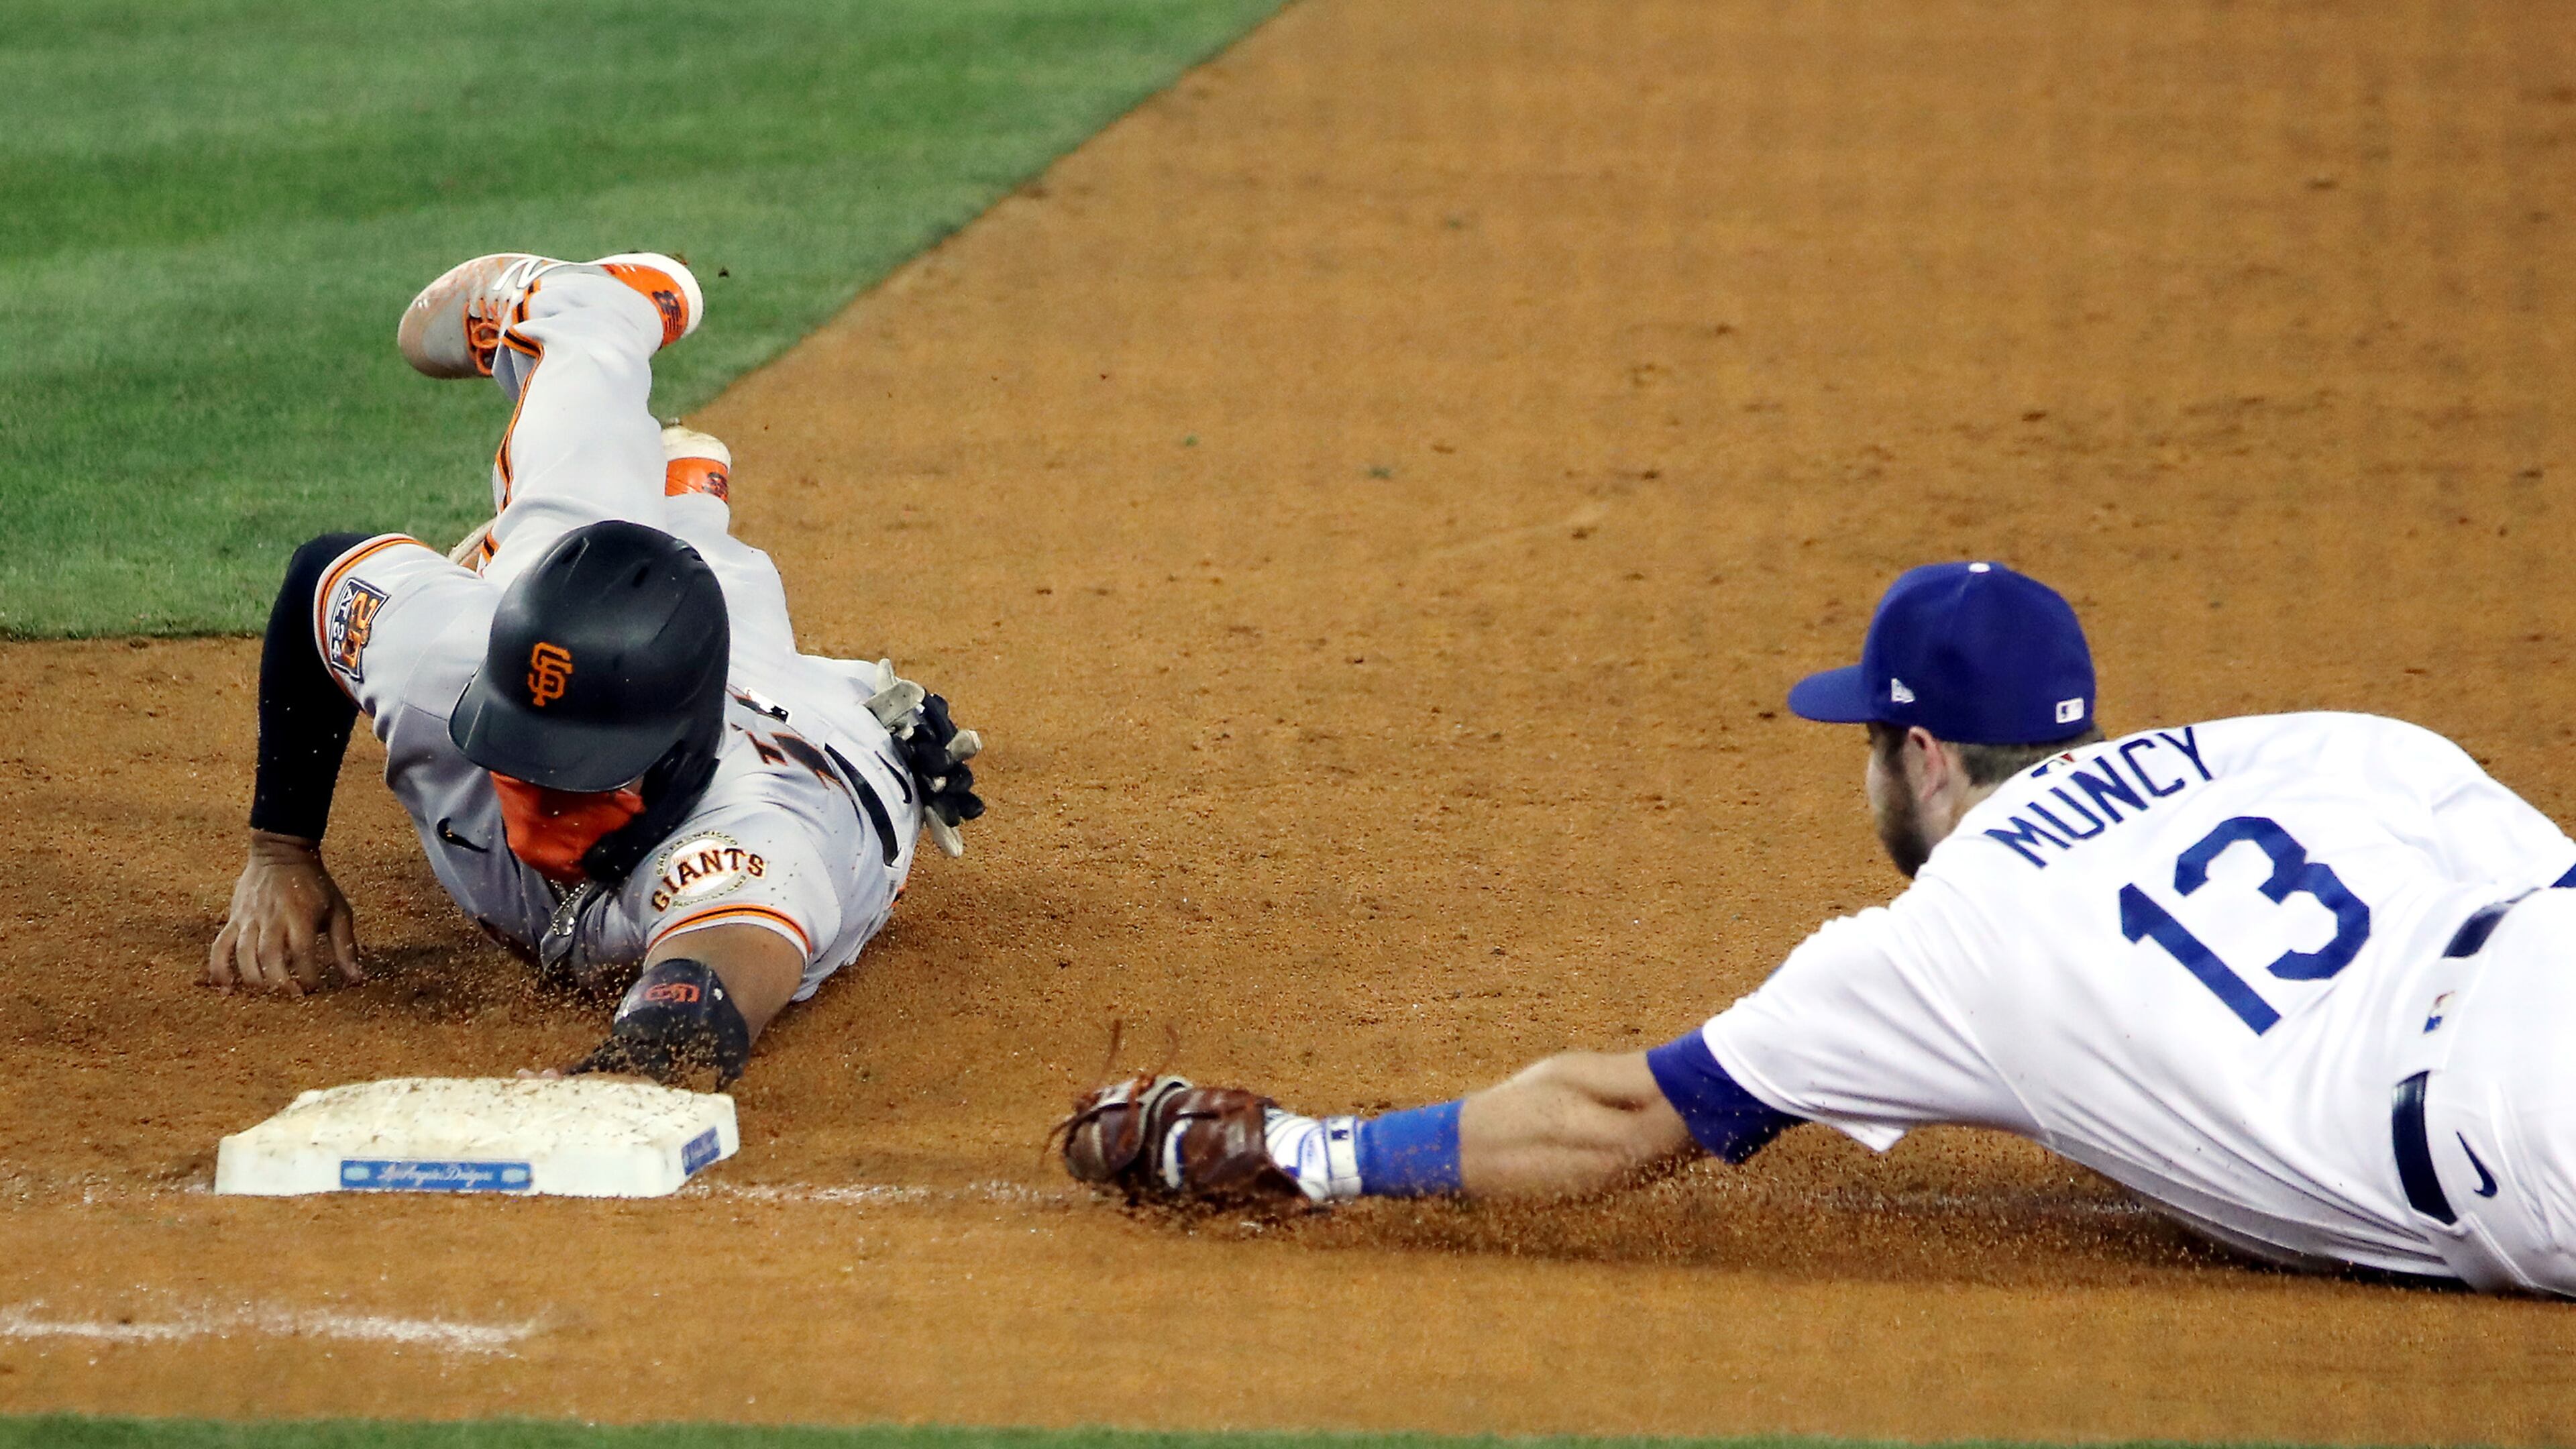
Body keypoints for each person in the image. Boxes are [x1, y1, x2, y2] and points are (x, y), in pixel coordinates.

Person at [1062, 561, 2576, 1295]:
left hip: (2518, 1141)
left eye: (1867, 744)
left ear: (1924, 756)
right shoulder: (2323, 741)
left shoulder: (1937, 948)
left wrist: (1321, 1155)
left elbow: (1607, 1122)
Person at [205, 251, 984, 1087]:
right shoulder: (448, 667)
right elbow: (320, 576)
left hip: (806, 726)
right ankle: (591, 307)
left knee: (720, 585)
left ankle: (684, 497)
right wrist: (282, 852)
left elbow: (694, 1026)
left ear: (674, 758)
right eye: (519, 749)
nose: (539, 794)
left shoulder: (757, 842)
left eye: (579, 774)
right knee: (568, 512)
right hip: (603, 651)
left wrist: (605, 1090)